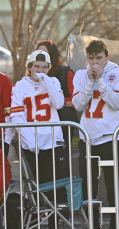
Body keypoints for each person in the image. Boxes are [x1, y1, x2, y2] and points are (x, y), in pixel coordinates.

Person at [72, 40, 119, 229]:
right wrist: (89, 81)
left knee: (114, 187)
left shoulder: (118, 73)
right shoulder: (80, 74)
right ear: (87, 58)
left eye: (99, 58)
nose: (95, 62)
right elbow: (77, 105)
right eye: (91, 58)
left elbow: (116, 103)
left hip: (110, 137)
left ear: (107, 57)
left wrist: (101, 81)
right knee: (89, 190)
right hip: (88, 138)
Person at [8, 50, 64, 229]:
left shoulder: (53, 82)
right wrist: (29, 141)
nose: (39, 71)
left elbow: (58, 103)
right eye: (36, 67)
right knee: (33, 191)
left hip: (52, 144)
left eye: (44, 67)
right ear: (29, 67)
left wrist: (46, 81)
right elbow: (16, 116)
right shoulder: (19, 87)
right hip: (31, 146)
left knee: (53, 190)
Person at [37, 40, 78, 180]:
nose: (42, 56)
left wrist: (58, 101)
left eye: (45, 53)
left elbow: (76, 99)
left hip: (62, 126)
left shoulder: (65, 72)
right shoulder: (31, 76)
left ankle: (62, 198)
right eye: (39, 52)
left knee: (62, 163)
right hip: (41, 127)